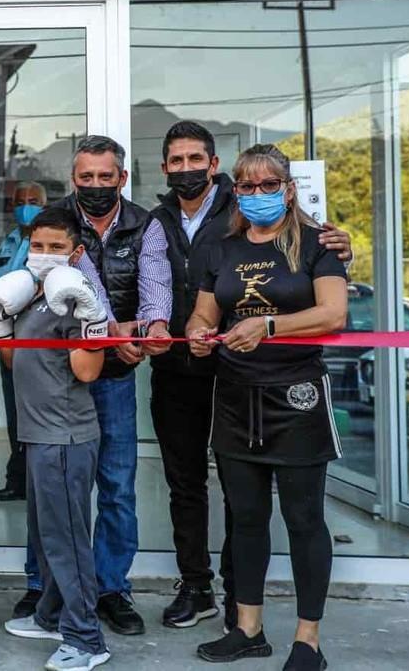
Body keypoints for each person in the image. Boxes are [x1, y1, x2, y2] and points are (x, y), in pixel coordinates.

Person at [147, 122, 353, 631]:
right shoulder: (221, 245)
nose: (257, 194)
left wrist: (268, 324)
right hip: (232, 394)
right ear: (235, 189)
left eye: (268, 185)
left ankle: (308, 638)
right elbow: (204, 312)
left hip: (296, 396)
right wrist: (197, 332)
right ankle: (245, 626)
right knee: (241, 513)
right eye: (248, 186)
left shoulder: (317, 243)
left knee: (303, 520)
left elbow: (333, 315)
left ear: (288, 188)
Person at [14, 136, 173, 637]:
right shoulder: (54, 224)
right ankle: (45, 586)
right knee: (51, 492)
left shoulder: (145, 223)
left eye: (107, 177)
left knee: (117, 488)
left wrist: (151, 331)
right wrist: (110, 333)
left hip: (115, 379)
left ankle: (110, 588)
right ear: (74, 178)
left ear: (122, 179)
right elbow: (68, 287)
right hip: (59, 379)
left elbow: (155, 286)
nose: (97, 186)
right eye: (87, 177)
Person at [0, 207, 111, 671]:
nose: (44, 255)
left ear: (76, 253)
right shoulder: (33, 296)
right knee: (45, 537)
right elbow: (12, 363)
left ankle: (86, 638)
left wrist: (93, 319)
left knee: (66, 540)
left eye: (56, 247)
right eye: (37, 246)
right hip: (38, 434)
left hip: (65, 436)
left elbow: (88, 370)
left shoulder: (74, 297)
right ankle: (51, 615)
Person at [0, 180, 47, 503]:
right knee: (14, 413)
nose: (26, 205)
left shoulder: (47, 241)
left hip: (38, 337)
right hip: (7, 336)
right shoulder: (10, 240)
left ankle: (37, 483)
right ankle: (18, 480)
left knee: (36, 413)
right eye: (21, 201)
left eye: (33, 200)